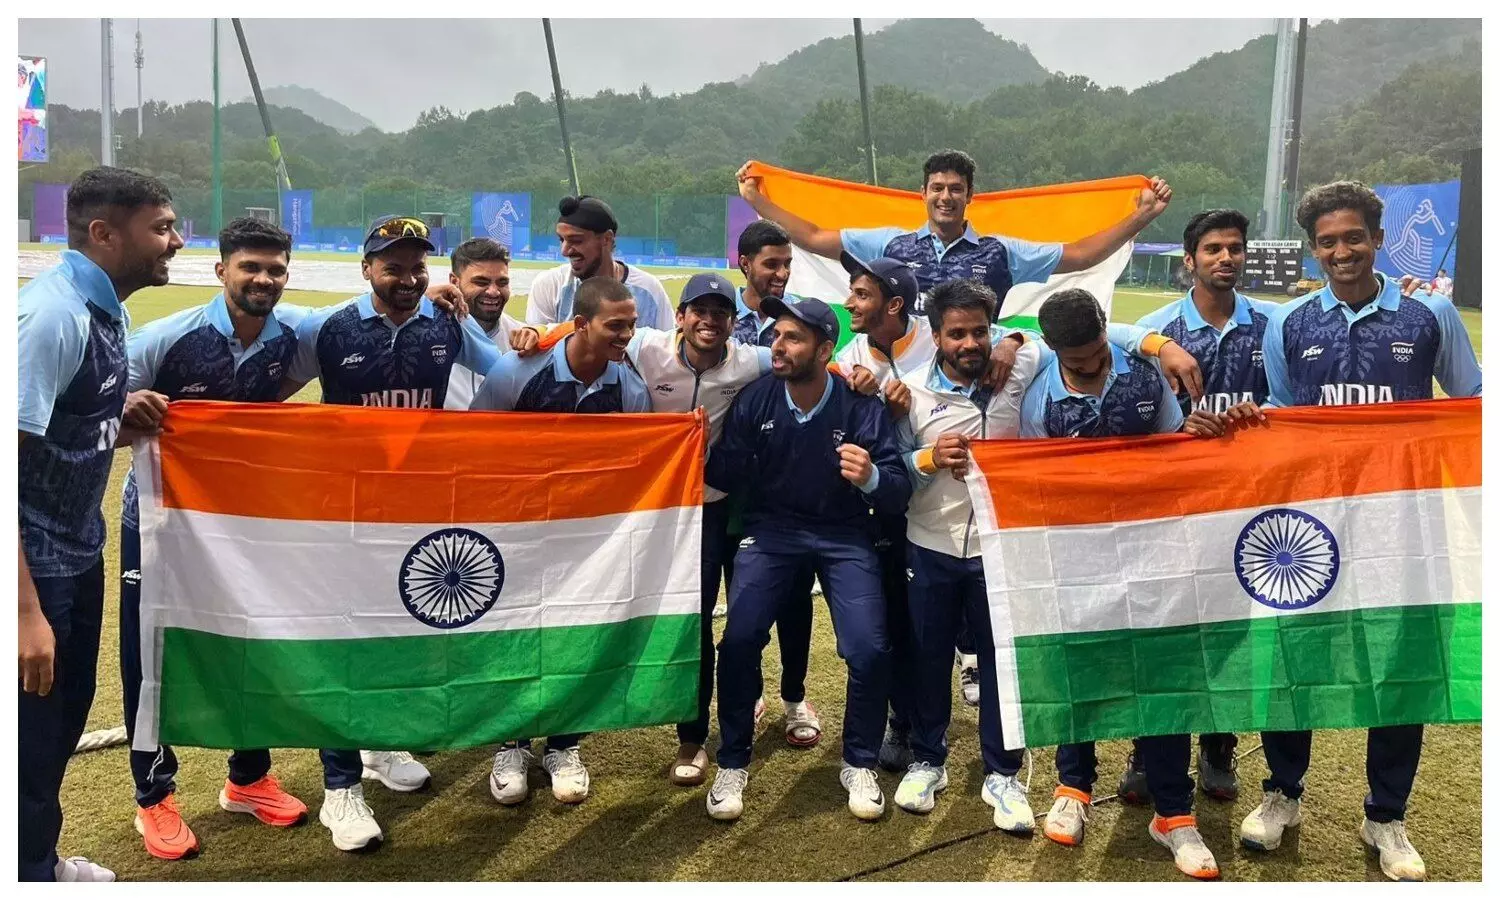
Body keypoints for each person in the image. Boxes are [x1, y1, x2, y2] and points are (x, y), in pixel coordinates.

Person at [1244, 181, 1481, 882]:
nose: (1341, 252)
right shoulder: (1288, 324)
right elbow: (1283, 419)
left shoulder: (1431, 312)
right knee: (1292, 661)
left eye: (1353, 238)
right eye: (1328, 241)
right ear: (1314, 249)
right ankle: (1282, 793)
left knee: (1397, 668)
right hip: (1312, 527)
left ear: (1378, 239)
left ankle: (1386, 814)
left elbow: (1472, 402)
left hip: (1402, 523)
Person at [279, 214, 501, 851]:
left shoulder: (445, 324)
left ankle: (380, 742)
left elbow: (506, 371)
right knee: (344, 638)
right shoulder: (330, 328)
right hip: (345, 508)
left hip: (417, 504)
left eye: (416, 267)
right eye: (393, 266)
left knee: (402, 628)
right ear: (366, 269)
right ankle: (340, 788)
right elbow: (271, 394)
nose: (407, 278)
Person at [115, 218, 310, 861]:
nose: (264, 280)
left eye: (275, 269)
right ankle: (154, 798)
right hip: (162, 523)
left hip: (245, 524)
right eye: (250, 267)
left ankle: (248, 778)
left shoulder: (293, 339)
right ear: (221, 270)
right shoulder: (165, 338)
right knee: (154, 652)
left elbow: (367, 311)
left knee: (250, 643)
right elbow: (90, 413)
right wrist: (123, 413)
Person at [1019, 288, 1228, 880]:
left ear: (1107, 332)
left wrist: (1196, 436)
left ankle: (1173, 812)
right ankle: (1073, 789)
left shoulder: (1143, 373)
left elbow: (1170, 447)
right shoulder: (1041, 398)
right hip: (1076, 553)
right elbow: (1030, 479)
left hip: (1151, 545)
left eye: (1096, 353)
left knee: (1162, 671)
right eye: (1076, 362)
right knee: (1080, 666)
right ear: (1053, 350)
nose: (1089, 366)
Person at [18, 167, 182, 882]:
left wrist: (118, 419)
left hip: (77, 553)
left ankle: (36, 861)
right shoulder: (51, 317)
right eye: (161, 228)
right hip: (31, 570)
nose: (174, 242)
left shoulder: (108, 309)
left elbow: (62, 431)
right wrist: (23, 613)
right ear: (103, 233)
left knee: (61, 720)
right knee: (27, 736)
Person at [703, 297, 912, 822]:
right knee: (741, 637)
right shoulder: (757, 399)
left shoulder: (859, 402)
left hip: (844, 535)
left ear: (825, 350)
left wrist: (870, 477)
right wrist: (726, 452)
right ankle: (732, 761)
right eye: (777, 336)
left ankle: (858, 761)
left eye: (794, 339)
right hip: (773, 531)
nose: (779, 346)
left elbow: (897, 489)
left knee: (868, 649)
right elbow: (725, 473)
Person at [1120, 208, 1282, 807]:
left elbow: (1291, 408)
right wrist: (1178, 428)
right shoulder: (1156, 329)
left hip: (1249, 505)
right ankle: (1149, 745)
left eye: (1235, 248)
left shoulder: (1273, 326)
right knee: (1165, 625)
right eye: (1212, 248)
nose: (1225, 258)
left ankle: (1218, 743)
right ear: (1189, 260)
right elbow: (1133, 414)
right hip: (1175, 506)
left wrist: (1259, 420)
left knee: (1233, 630)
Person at [471, 276, 651, 806]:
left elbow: (638, 465)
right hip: (517, 531)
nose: (626, 336)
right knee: (516, 634)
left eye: (632, 326)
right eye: (615, 326)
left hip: (586, 540)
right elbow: (472, 443)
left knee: (576, 635)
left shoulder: (630, 388)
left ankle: (564, 744)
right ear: (579, 324)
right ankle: (513, 742)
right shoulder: (517, 371)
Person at [736, 149, 1172, 316]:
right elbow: (812, 237)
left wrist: (1141, 216)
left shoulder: (1001, 251)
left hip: (976, 380)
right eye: (938, 188)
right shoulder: (889, 244)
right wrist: (758, 202)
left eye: (956, 189)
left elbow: (1081, 254)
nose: (946, 197)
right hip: (902, 380)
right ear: (922, 193)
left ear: (970, 196)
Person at [525, 195, 674, 331]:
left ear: (607, 239)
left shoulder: (649, 289)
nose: (564, 251)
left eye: (576, 240)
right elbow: (540, 352)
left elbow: (667, 349)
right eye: (561, 240)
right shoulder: (549, 285)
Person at [442, 238, 529, 409]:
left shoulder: (524, 339)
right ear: (454, 282)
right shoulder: (430, 334)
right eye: (481, 282)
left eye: (502, 283)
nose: (493, 291)